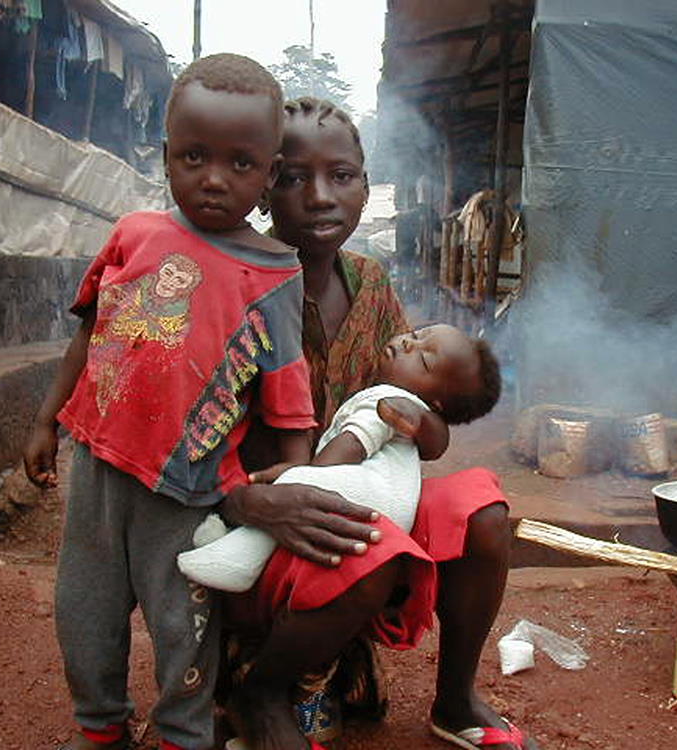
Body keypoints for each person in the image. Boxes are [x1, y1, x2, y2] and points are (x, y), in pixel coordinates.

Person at [218, 96, 538, 750]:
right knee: (378, 548)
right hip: (256, 518)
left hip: (350, 501)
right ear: (262, 189)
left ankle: (455, 700)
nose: (320, 195)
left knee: (482, 513)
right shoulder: (231, 286)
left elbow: (416, 411)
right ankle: (260, 692)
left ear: (367, 185)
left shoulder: (369, 282)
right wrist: (251, 500)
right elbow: (183, 438)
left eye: (342, 175)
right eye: (292, 177)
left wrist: (423, 430)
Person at [22, 54, 317, 750]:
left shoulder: (274, 273)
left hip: (185, 488)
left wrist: (299, 475)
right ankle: (100, 725)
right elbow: (91, 331)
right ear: (165, 156)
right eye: (193, 156)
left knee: (183, 623)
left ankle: (185, 733)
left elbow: (288, 393)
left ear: (269, 175)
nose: (214, 178)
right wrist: (45, 421)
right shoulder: (135, 233)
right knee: (83, 610)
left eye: (240, 164)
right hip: (96, 466)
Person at [178, 323, 502, 593]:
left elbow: (352, 446)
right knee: (290, 492)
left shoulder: (385, 402)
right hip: (389, 509)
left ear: (435, 402)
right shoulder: (404, 406)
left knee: (293, 484)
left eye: (425, 361)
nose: (406, 344)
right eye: (415, 335)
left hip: (369, 499)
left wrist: (309, 473)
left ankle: (235, 560)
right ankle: (235, 548)